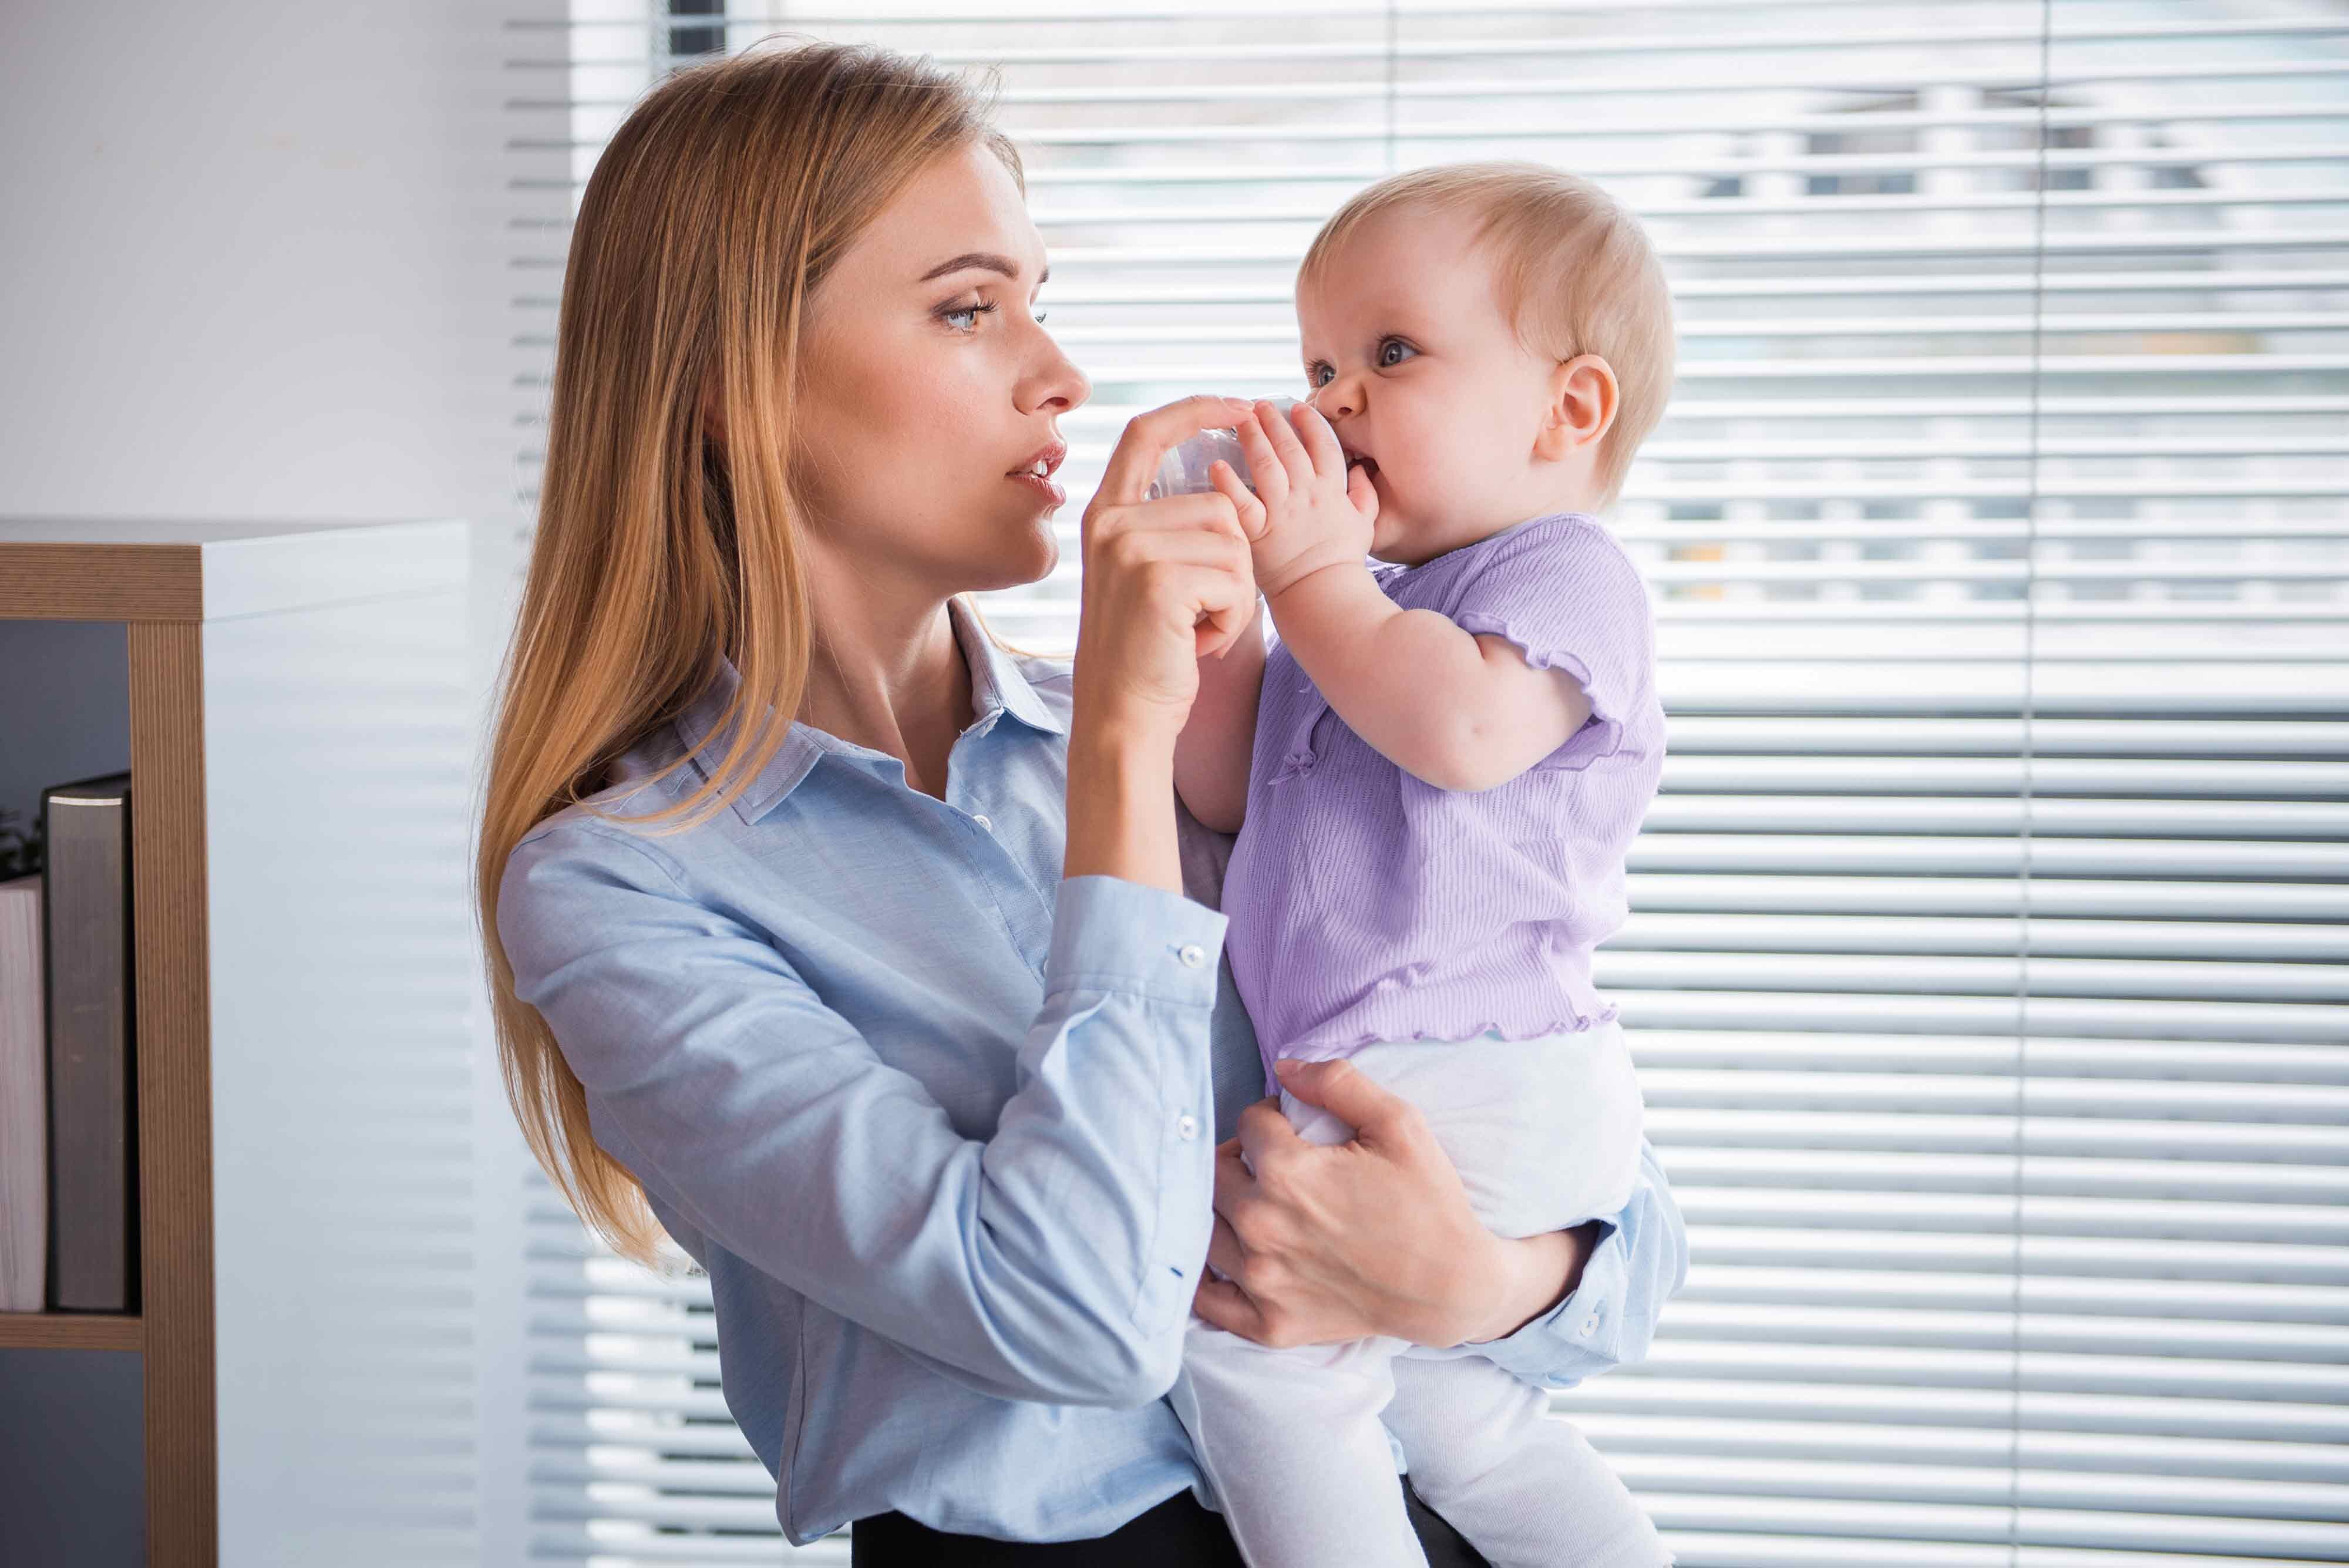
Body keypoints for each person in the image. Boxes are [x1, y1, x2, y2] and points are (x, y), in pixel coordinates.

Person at [474, 39, 1688, 1563]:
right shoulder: (623, 886)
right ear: (732, 385)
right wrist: (1118, 747)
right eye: (967, 308)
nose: (1059, 375)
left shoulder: (1212, 729)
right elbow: (1085, 1319)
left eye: (1038, 300)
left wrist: (1479, 1284)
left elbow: (1618, 1225)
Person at [1164, 164, 1679, 1568]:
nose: (1335, 400)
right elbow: (1222, 794)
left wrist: (1310, 581)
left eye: (1389, 354)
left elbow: (1457, 731)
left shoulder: (1559, 574)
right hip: (1417, 1078)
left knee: (1252, 1349)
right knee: (1454, 1410)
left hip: (1479, 1067)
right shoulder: (1363, 615)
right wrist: (1223, 634)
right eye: (1316, 367)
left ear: (1569, 410)